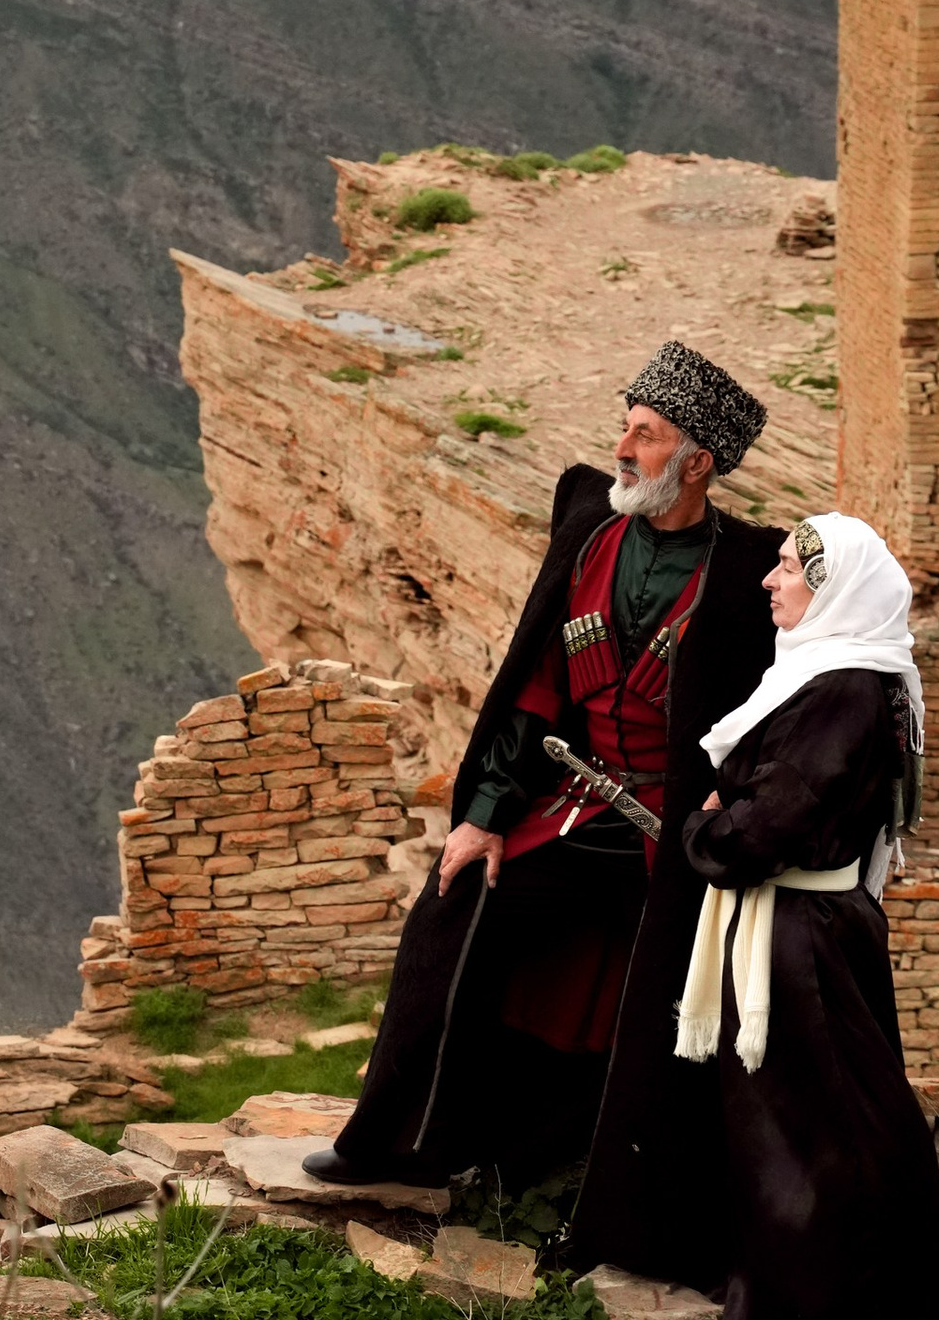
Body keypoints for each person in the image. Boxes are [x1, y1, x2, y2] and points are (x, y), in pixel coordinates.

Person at [307, 341, 782, 1201]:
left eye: (644, 435)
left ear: (698, 461)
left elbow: (773, 712)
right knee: (456, 910)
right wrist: (486, 812)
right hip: (568, 804)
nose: (623, 449)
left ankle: (612, 1183)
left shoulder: (750, 572)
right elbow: (535, 687)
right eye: (625, 429)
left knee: (671, 998)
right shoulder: (591, 531)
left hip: (669, 839)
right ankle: (401, 1143)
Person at [565, 508, 939, 1320]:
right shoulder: (832, 675)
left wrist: (707, 824)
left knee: (802, 1145)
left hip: (798, 945)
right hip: (804, 932)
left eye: (788, 568)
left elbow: (770, 827)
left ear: (833, 588)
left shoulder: (843, 690)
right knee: (826, 1127)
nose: (768, 580)